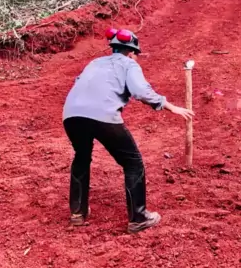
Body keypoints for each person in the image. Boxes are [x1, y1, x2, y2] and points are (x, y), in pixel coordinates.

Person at [63, 28, 194, 234]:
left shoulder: (95, 63)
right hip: (103, 115)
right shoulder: (129, 63)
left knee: (82, 157)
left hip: (71, 115)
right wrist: (170, 106)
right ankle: (138, 218)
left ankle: (78, 213)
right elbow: (141, 91)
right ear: (132, 52)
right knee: (133, 163)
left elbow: (81, 84)